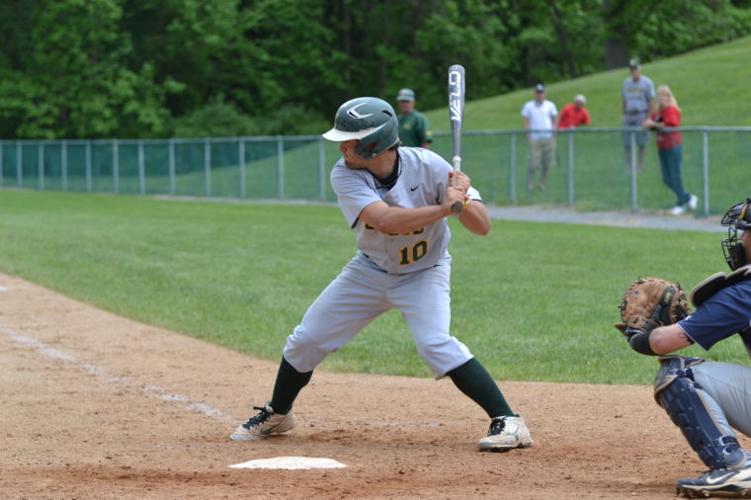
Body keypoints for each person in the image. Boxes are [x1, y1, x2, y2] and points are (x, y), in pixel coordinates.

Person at [230, 97, 533, 452]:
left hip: (425, 273)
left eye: (350, 140)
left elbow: (482, 227)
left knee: (435, 343)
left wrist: (462, 201)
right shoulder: (344, 172)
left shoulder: (431, 166)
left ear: (375, 143)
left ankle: (509, 421)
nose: (342, 146)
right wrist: (443, 207)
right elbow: (385, 220)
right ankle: (279, 413)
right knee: (306, 339)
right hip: (369, 271)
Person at [618, 197, 751, 497]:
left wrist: (637, 336)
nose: (740, 240)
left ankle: (734, 466)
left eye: (745, 231)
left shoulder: (745, 292)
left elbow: (664, 342)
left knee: (679, 373)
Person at [643, 85, 698, 215]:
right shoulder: (658, 113)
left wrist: (654, 124)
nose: (662, 98)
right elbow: (651, 122)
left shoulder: (672, 110)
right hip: (662, 147)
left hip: (673, 146)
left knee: (675, 175)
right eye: (659, 96)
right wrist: (648, 123)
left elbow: (669, 124)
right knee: (666, 179)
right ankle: (688, 197)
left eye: (664, 96)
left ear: (669, 97)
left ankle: (680, 203)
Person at [521, 83, 558, 193]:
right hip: (535, 138)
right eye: (538, 93)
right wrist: (528, 134)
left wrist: (554, 132)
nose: (539, 95)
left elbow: (554, 119)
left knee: (547, 162)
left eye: (541, 93)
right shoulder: (529, 106)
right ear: (535, 94)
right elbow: (526, 121)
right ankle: (530, 184)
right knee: (533, 163)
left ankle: (543, 183)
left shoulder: (550, 105)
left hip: (548, 137)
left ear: (544, 93)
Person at [621, 57, 655, 172]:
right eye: (631, 69)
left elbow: (651, 101)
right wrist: (624, 114)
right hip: (629, 115)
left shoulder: (647, 82)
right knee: (627, 143)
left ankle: (640, 166)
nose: (633, 71)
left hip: (641, 114)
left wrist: (649, 117)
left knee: (642, 142)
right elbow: (624, 100)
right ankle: (627, 166)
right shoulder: (626, 83)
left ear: (639, 69)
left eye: (635, 69)